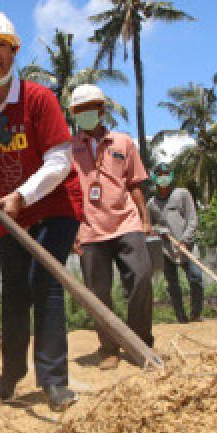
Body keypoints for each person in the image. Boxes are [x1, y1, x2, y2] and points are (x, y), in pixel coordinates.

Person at [0, 12, 84, 410]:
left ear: (14, 53)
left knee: (45, 282)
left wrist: (22, 196)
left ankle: (54, 380)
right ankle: (12, 371)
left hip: (57, 204)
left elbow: (59, 161)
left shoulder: (39, 99)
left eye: (1, 47)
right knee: (14, 293)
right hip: (11, 215)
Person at [68, 84, 153, 370]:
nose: (85, 114)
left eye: (90, 108)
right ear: (73, 114)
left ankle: (141, 343)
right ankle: (109, 347)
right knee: (98, 294)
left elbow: (135, 184)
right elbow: (68, 194)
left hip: (126, 222)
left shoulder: (123, 142)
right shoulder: (69, 149)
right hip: (90, 230)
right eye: (79, 110)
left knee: (141, 278)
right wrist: (74, 232)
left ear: (102, 110)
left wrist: (145, 219)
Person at [147, 161, 204, 324]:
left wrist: (185, 240)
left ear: (171, 177)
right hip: (166, 250)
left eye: (166, 175)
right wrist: (158, 231)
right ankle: (181, 317)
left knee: (196, 278)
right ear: (155, 178)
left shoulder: (182, 194)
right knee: (173, 285)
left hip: (187, 246)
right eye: (160, 176)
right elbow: (149, 226)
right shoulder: (152, 203)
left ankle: (196, 314)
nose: (163, 178)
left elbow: (192, 219)